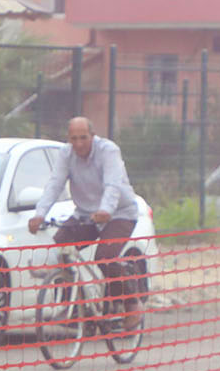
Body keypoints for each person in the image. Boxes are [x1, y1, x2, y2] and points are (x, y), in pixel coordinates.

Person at [27, 116, 140, 294]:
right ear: (68, 139)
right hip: (86, 214)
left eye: (83, 138)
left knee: (105, 258)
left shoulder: (108, 151)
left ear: (93, 136)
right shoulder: (66, 154)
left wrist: (106, 210)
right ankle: (75, 304)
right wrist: (39, 214)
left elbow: (112, 184)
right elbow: (55, 184)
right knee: (61, 248)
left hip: (119, 213)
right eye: (74, 139)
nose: (79, 144)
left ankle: (131, 303)